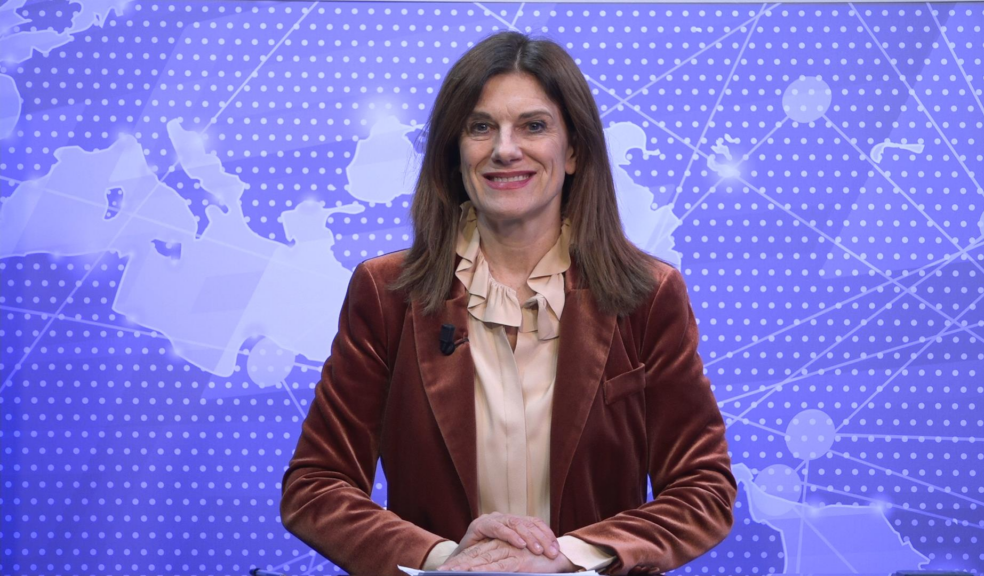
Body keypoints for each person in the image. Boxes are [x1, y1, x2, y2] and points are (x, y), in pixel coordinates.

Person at [280, 31, 736, 575]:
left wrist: (567, 558)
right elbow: (316, 485)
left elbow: (703, 490)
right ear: (455, 153)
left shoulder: (648, 294)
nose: (504, 149)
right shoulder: (386, 293)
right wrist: (449, 561)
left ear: (573, 151)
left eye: (533, 126)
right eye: (480, 127)